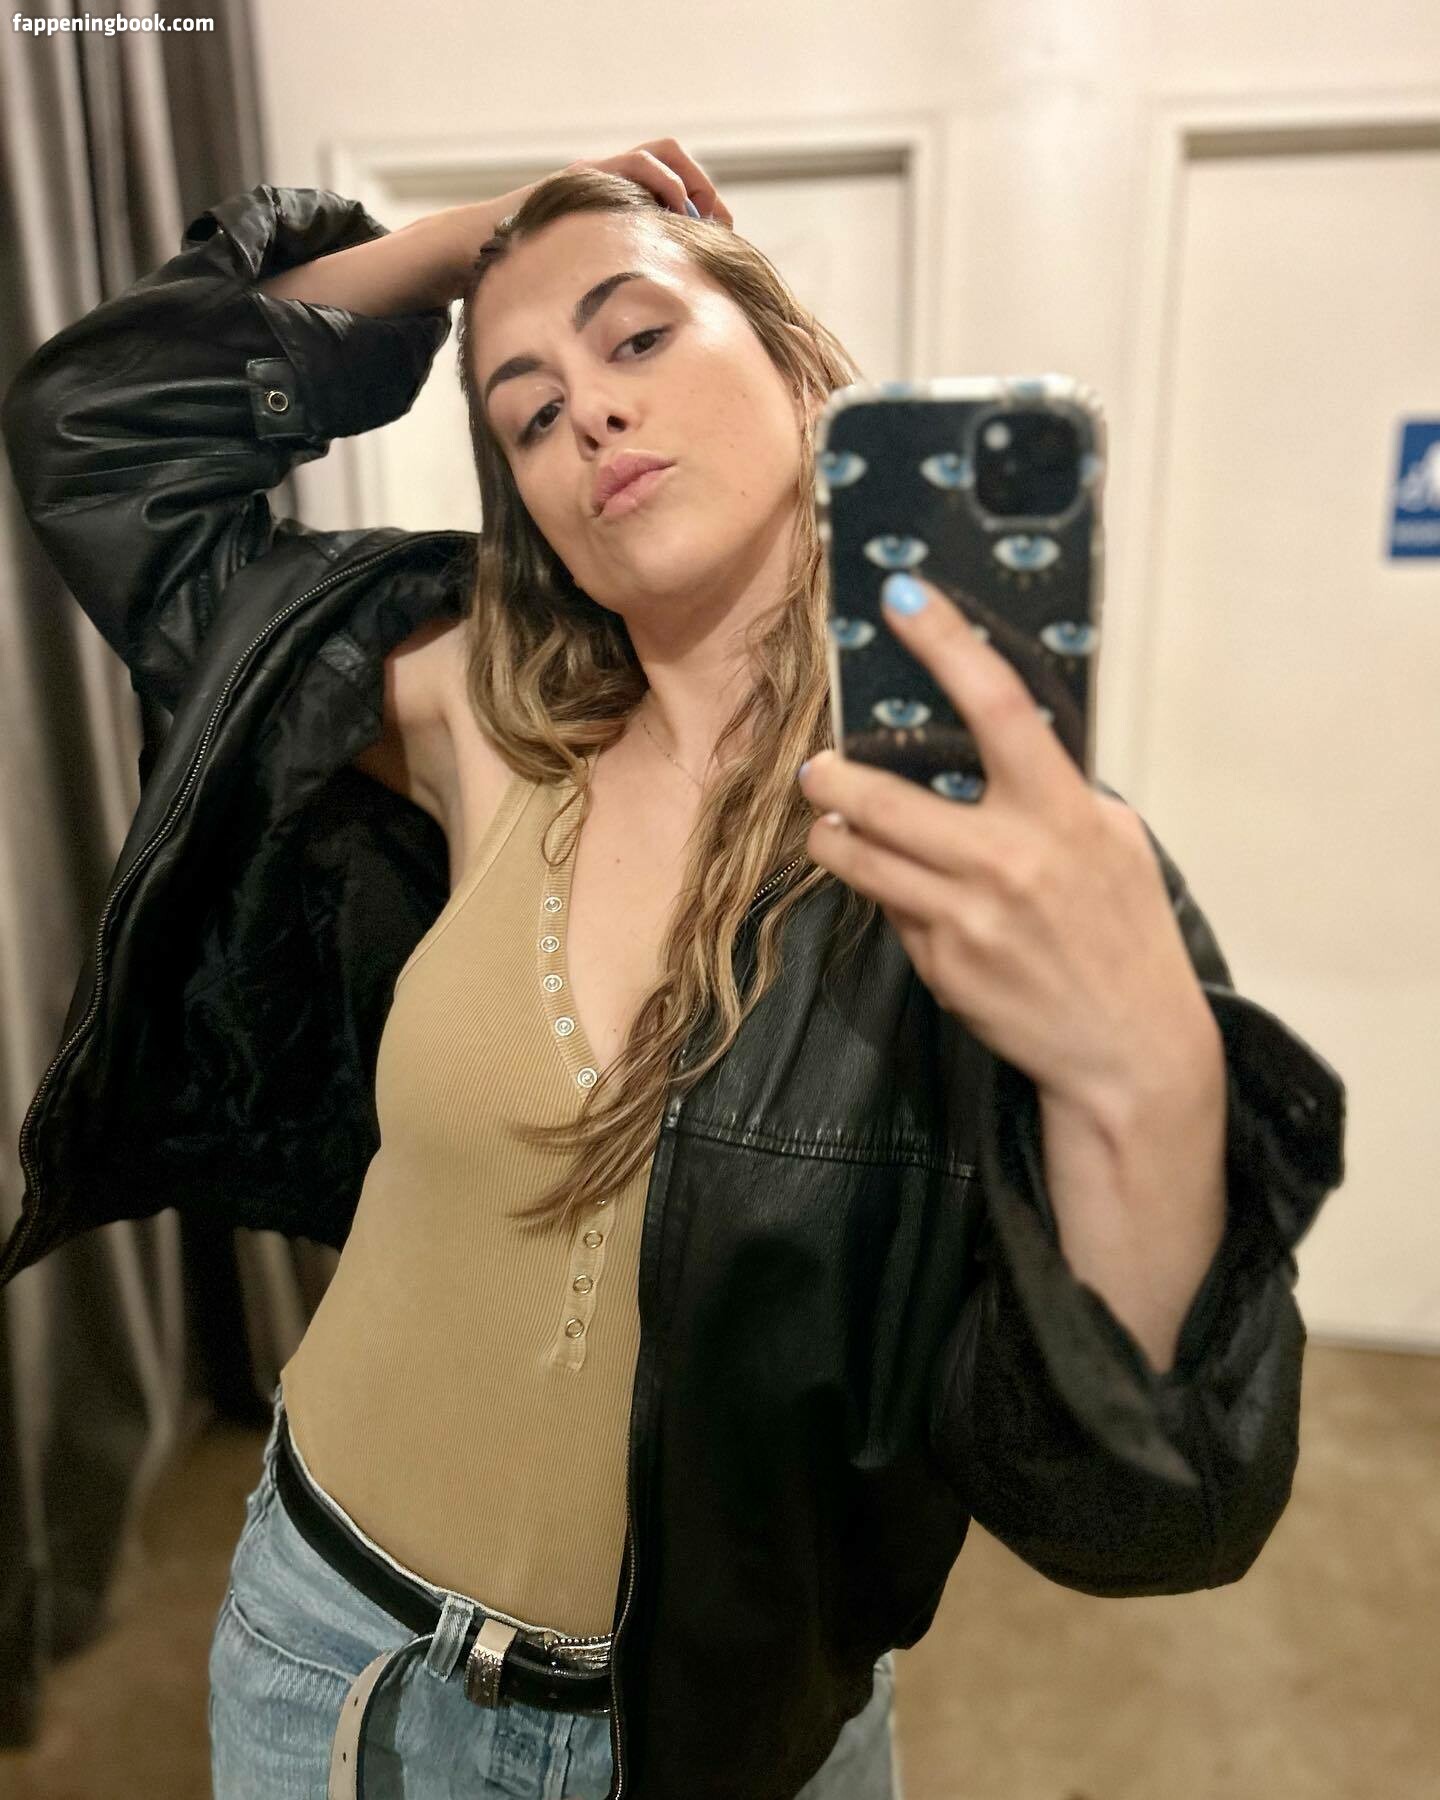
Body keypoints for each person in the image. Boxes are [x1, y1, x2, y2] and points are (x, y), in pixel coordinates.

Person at [0, 140, 1346, 1800]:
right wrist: (480, 243)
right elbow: (97, 430)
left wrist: (1147, 1073)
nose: (589, 413)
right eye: (527, 411)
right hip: (336, 1670)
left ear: (792, 364)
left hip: (743, 1742)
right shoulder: (485, 706)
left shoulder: (997, 867)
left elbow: (1156, 1515)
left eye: (636, 335)